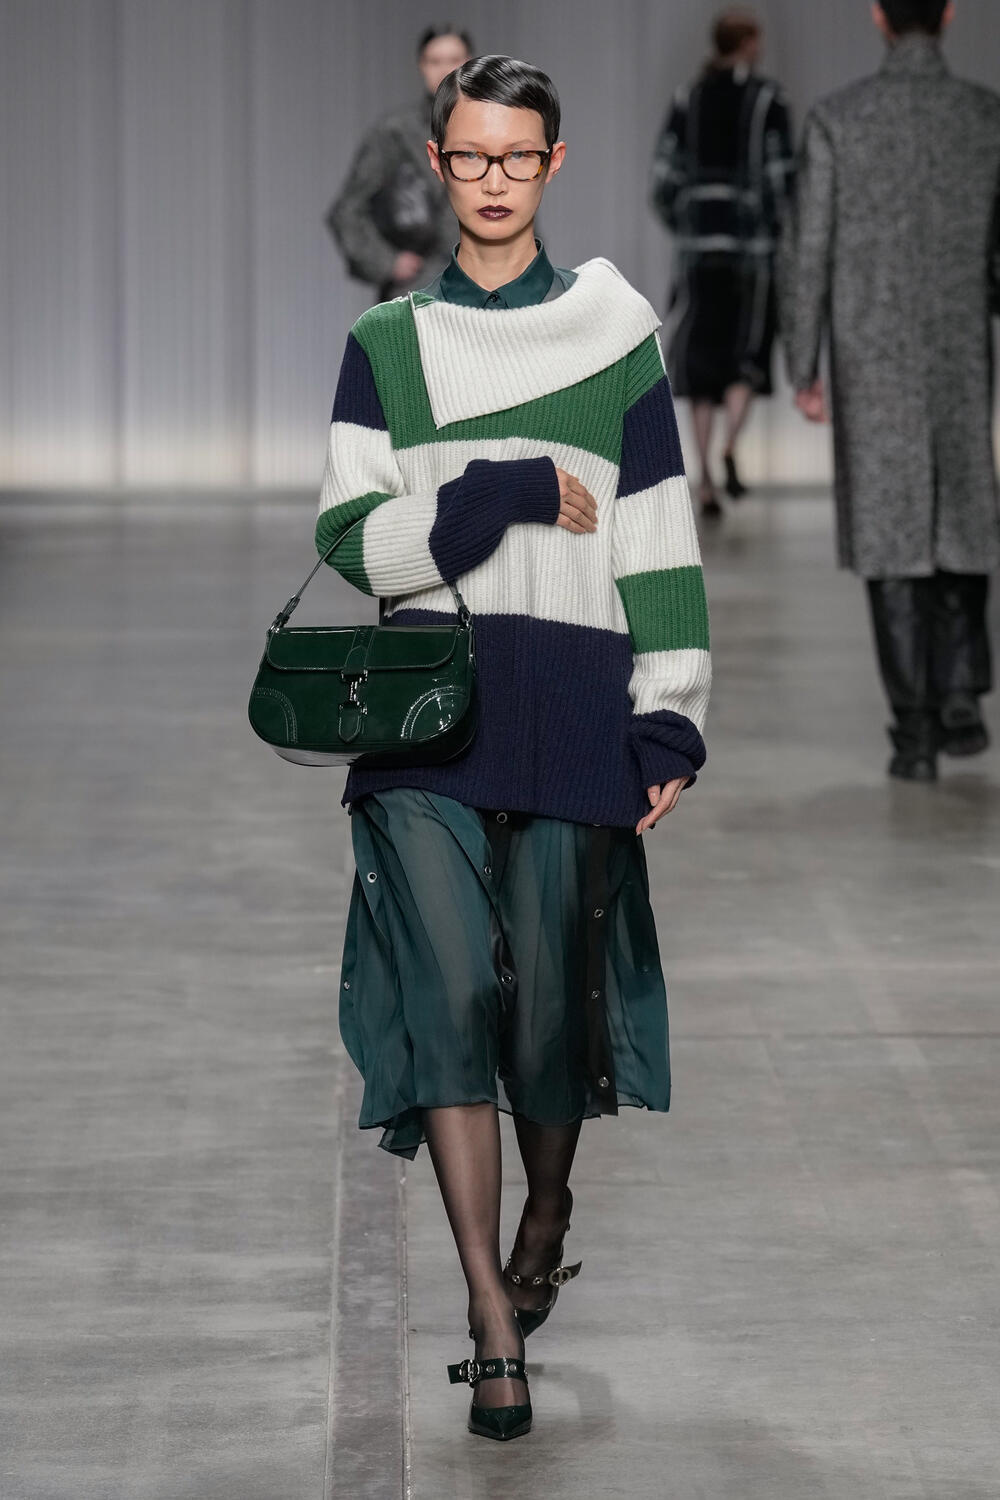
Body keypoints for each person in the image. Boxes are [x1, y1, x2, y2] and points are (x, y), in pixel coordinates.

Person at [315, 55, 711, 1440]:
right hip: (426, 719)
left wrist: (670, 711)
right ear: (438, 163)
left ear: (552, 162)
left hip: (573, 708)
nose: (492, 181)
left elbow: (656, 530)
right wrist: (496, 494)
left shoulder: (614, 333)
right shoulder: (388, 344)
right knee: (446, 1000)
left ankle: (549, 1208)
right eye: (470, 157)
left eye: (516, 157)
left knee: (549, 1009)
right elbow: (351, 537)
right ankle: (490, 1315)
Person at [782, 0, 1000, 781]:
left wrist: (802, 362)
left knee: (891, 533)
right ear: (949, 14)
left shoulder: (839, 121)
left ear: (878, 16)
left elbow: (808, 250)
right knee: (962, 511)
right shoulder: (986, 117)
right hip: (959, 347)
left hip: (871, 352)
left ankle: (914, 734)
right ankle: (960, 692)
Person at [651, 7, 794, 517]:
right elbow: (781, 179)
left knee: (699, 368)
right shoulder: (768, 100)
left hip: (697, 254)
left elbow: (663, 179)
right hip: (750, 255)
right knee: (743, 358)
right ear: (749, 42)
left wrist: (689, 220)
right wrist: (776, 229)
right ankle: (732, 444)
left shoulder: (687, 98)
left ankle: (707, 480)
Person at [326, 25, 472, 302]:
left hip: (481, 289)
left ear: (470, 64)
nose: (445, 69)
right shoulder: (395, 133)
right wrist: (387, 262)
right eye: (435, 61)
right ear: (422, 66)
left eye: (454, 60)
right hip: (416, 292)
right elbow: (347, 210)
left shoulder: (489, 129)